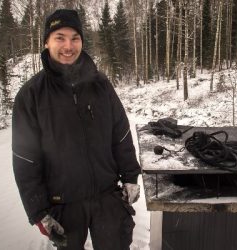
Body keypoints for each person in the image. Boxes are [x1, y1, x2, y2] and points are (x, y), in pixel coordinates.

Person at [12, 9, 141, 250]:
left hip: (108, 197)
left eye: (75, 38)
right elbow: (24, 159)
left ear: (82, 41)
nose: (68, 46)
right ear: (46, 42)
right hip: (63, 204)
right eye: (60, 37)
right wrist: (39, 211)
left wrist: (131, 176)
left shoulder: (101, 85)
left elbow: (120, 133)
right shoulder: (31, 96)